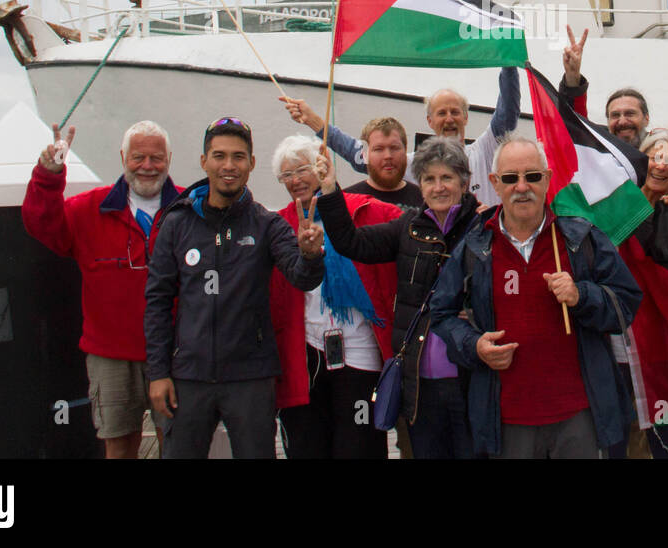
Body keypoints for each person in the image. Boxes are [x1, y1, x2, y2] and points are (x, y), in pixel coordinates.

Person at [431, 136, 642, 458]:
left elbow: (626, 303)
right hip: (506, 419)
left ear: (547, 178)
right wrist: (474, 345)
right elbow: (441, 313)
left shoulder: (581, 237)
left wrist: (582, 296)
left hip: (578, 416)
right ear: (494, 183)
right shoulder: (475, 245)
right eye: (510, 178)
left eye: (532, 176)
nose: (521, 186)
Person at [145, 118, 324, 459]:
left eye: (239, 157)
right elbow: (157, 301)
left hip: (251, 378)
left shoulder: (267, 223)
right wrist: (158, 373)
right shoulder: (176, 222)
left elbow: (302, 276)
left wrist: (311, 254)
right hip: (189, 377)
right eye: (219, 156)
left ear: (252, 164)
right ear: (203, 161)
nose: (229, 166)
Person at [316, 136, 485, 458]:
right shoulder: (407, 227)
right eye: (429, 179)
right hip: (420, 386)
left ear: (464, 183)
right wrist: (330, 192)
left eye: (446, 178)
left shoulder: (484, 228)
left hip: (470, 381)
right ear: (419, 186)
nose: (438, 187)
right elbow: (351, 243)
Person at [22, 120, 180, 459]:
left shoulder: (189, 209)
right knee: (119, 447)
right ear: (123, 157)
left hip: (176, 354)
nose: (148, 166)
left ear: (169, 158)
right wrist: (49, 174)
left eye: (157, 158)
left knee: (178, 444)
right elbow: (41, 224)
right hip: (111, 357)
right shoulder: (87, 209)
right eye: (139, 157)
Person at [269, 134, 398, 459]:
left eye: (301, 169)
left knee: (360, 448)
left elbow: (413, 223)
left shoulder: (365, 209)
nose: (295, 180)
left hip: (361, 352)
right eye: (286, 175)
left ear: (321, 166)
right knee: (308, 446)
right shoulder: (277, 224)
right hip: (305, 356)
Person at [280, 65, 521, 206]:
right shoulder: (412, 163)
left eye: (455, 112)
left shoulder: (484, 150)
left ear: (466, 117)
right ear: (429, 121)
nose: (449, 119)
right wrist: (313, 120)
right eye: (441, 113)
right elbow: (360, 157)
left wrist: (507, 62)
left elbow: (507, 113)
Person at [560, 4, 668, 196]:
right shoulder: (599, 155)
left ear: (646, 118)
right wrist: (572, 79)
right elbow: (574, 128)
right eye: (615, 115)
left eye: (630, 113)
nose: (622, 121)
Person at [607, 126, 668, 460]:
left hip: (661, 351)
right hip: (613, 345)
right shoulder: (615, 206)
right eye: (655, 157)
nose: (660, 166)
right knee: (612, 441)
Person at [343, 117, 424, 209]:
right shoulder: (346, 202)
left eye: (394, 148)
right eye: (379, 149)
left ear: (405, 150)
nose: (388, 156)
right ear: (364, 154)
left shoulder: (426, 201)